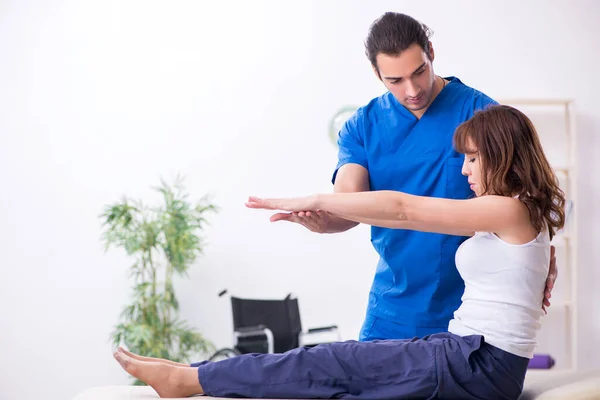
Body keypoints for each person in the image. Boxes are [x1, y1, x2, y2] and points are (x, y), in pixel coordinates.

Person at [113, 105, 566, 400]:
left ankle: (188, 381)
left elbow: (404, 209)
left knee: (330, 362)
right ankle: (190, 374)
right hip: (464, 353)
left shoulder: (508, 209)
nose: (465, 169)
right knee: (337, 369)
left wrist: (316, 199)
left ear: (500, 153)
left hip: (477, 364)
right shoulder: (518, 213)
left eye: (472, 157)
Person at [264, 11, 557, 341]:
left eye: (419, 72)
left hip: (470, 309)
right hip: (393, 309)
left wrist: (542, 253)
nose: (413, 89)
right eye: (396, 80)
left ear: (431, 52)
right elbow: (347, 205)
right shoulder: (362, 128)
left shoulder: (481, 116)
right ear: (377, 74)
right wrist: (324, 221)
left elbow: (524, 196)